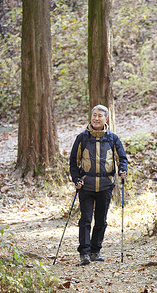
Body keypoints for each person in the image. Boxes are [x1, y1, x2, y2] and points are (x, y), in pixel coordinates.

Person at [69, 104, 128, 265]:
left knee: (101, 220)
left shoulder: (112, 138)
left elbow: (121, 158)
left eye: (100, 115)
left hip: (105, 185)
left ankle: (96, 251)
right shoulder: (82, 138)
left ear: (106, 118)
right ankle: (85, 254)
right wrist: (76, 179)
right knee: (86, 219)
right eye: (94, 115)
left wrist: (123, 170)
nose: (96, 118)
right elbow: (73, 162)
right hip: (86, 185)